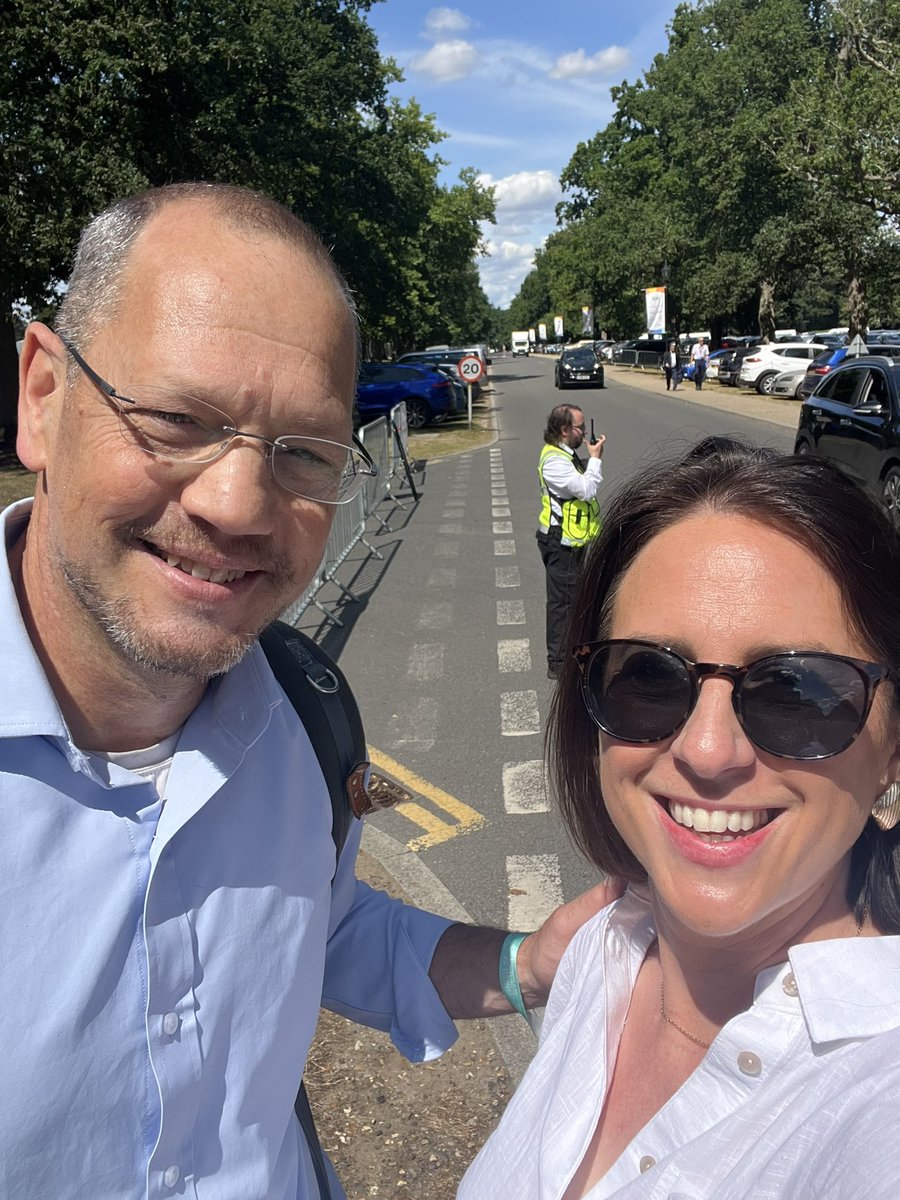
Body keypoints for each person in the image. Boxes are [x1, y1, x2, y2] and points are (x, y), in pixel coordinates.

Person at [1, 182, 616, 1199]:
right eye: (175, 419)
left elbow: (322, 931)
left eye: (305, 452)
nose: (239, 505)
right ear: (43, 395)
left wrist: (528, 965)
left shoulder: (305, 717)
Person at [460, 437, 900, 1199]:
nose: (706, 749)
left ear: (894, 752)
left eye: (797, 692)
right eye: (649, 680)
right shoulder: (604, 952)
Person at [536, 404, 605, 680]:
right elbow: (586, 490)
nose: (584, 432)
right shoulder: (553, 460)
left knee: (573, 599)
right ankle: (559, 663)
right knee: (562, 604)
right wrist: (596, 460)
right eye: (580, 427)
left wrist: (590, 459)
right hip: (559, 542)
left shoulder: (566, 454)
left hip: (571, 539)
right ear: (564, 430)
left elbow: (579, 480)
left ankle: (572, 655)